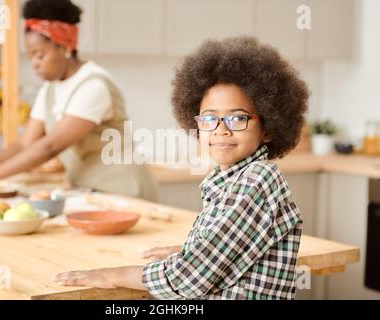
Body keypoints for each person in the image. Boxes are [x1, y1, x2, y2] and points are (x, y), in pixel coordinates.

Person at [52, 36, 309, 300]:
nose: (220, 130)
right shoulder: (228, 178)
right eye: (209, 118)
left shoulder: (258, 179)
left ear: (267, 128)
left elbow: (189, 278)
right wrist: (190, 251)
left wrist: (111, 275)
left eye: (237, 118)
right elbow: (230, 251)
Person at [0, 0, 159, 201]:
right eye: (31, 55)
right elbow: (24, 143)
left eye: (40, 55)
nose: (34, 63)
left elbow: (50, 147)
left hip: (126, 192)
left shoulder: (93, 86)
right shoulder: (50, 89)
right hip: (91, 190)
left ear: (64, 47)